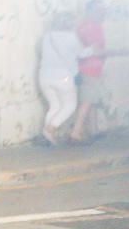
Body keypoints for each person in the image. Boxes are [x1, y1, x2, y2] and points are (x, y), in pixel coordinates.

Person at [69, 0, 129, 143]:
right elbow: (95, 51)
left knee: (92, 101)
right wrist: (119, 52)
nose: (103, 13)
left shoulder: (91, 25)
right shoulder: (91, 27)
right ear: (89, 11)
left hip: (90, 68)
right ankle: (75, 133)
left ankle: (94, 130)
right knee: (87, 101)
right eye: (99, 10)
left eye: (104, 10)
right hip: (88, 68)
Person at [37, 11, 90, 145]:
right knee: (70, 105)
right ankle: (50, 128)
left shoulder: (47, 36)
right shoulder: (71, 37)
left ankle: (47, 137)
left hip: (44, 77)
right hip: (62, 77)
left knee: (54, 105)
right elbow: (83, 54)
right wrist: (93, 49)